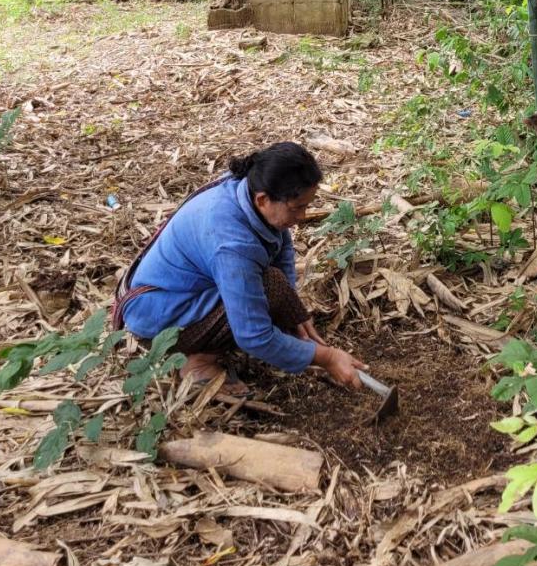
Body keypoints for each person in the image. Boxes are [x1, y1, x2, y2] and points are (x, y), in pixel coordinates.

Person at [115, 142, 365, 395]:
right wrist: (327, 357)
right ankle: (197, 362)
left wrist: (289, 310)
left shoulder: (247, 188)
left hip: (179, 292)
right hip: (161, 320)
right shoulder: (233, 244)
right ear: (263, 200)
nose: (302, 216)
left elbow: (280, 242)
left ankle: (210, 344)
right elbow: (253, 336)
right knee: (268, 287)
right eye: (296, 208)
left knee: (274, 289)